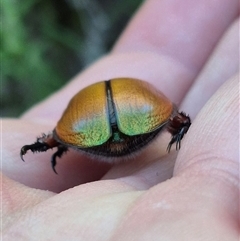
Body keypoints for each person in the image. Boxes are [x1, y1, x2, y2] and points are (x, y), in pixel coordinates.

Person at [2, 0, 239, 240]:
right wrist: (179, 126)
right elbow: (175, 117)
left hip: (101, 125)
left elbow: (173, 117)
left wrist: (52, 141)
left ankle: (52, 143)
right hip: (135, 119)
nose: (118, 139)